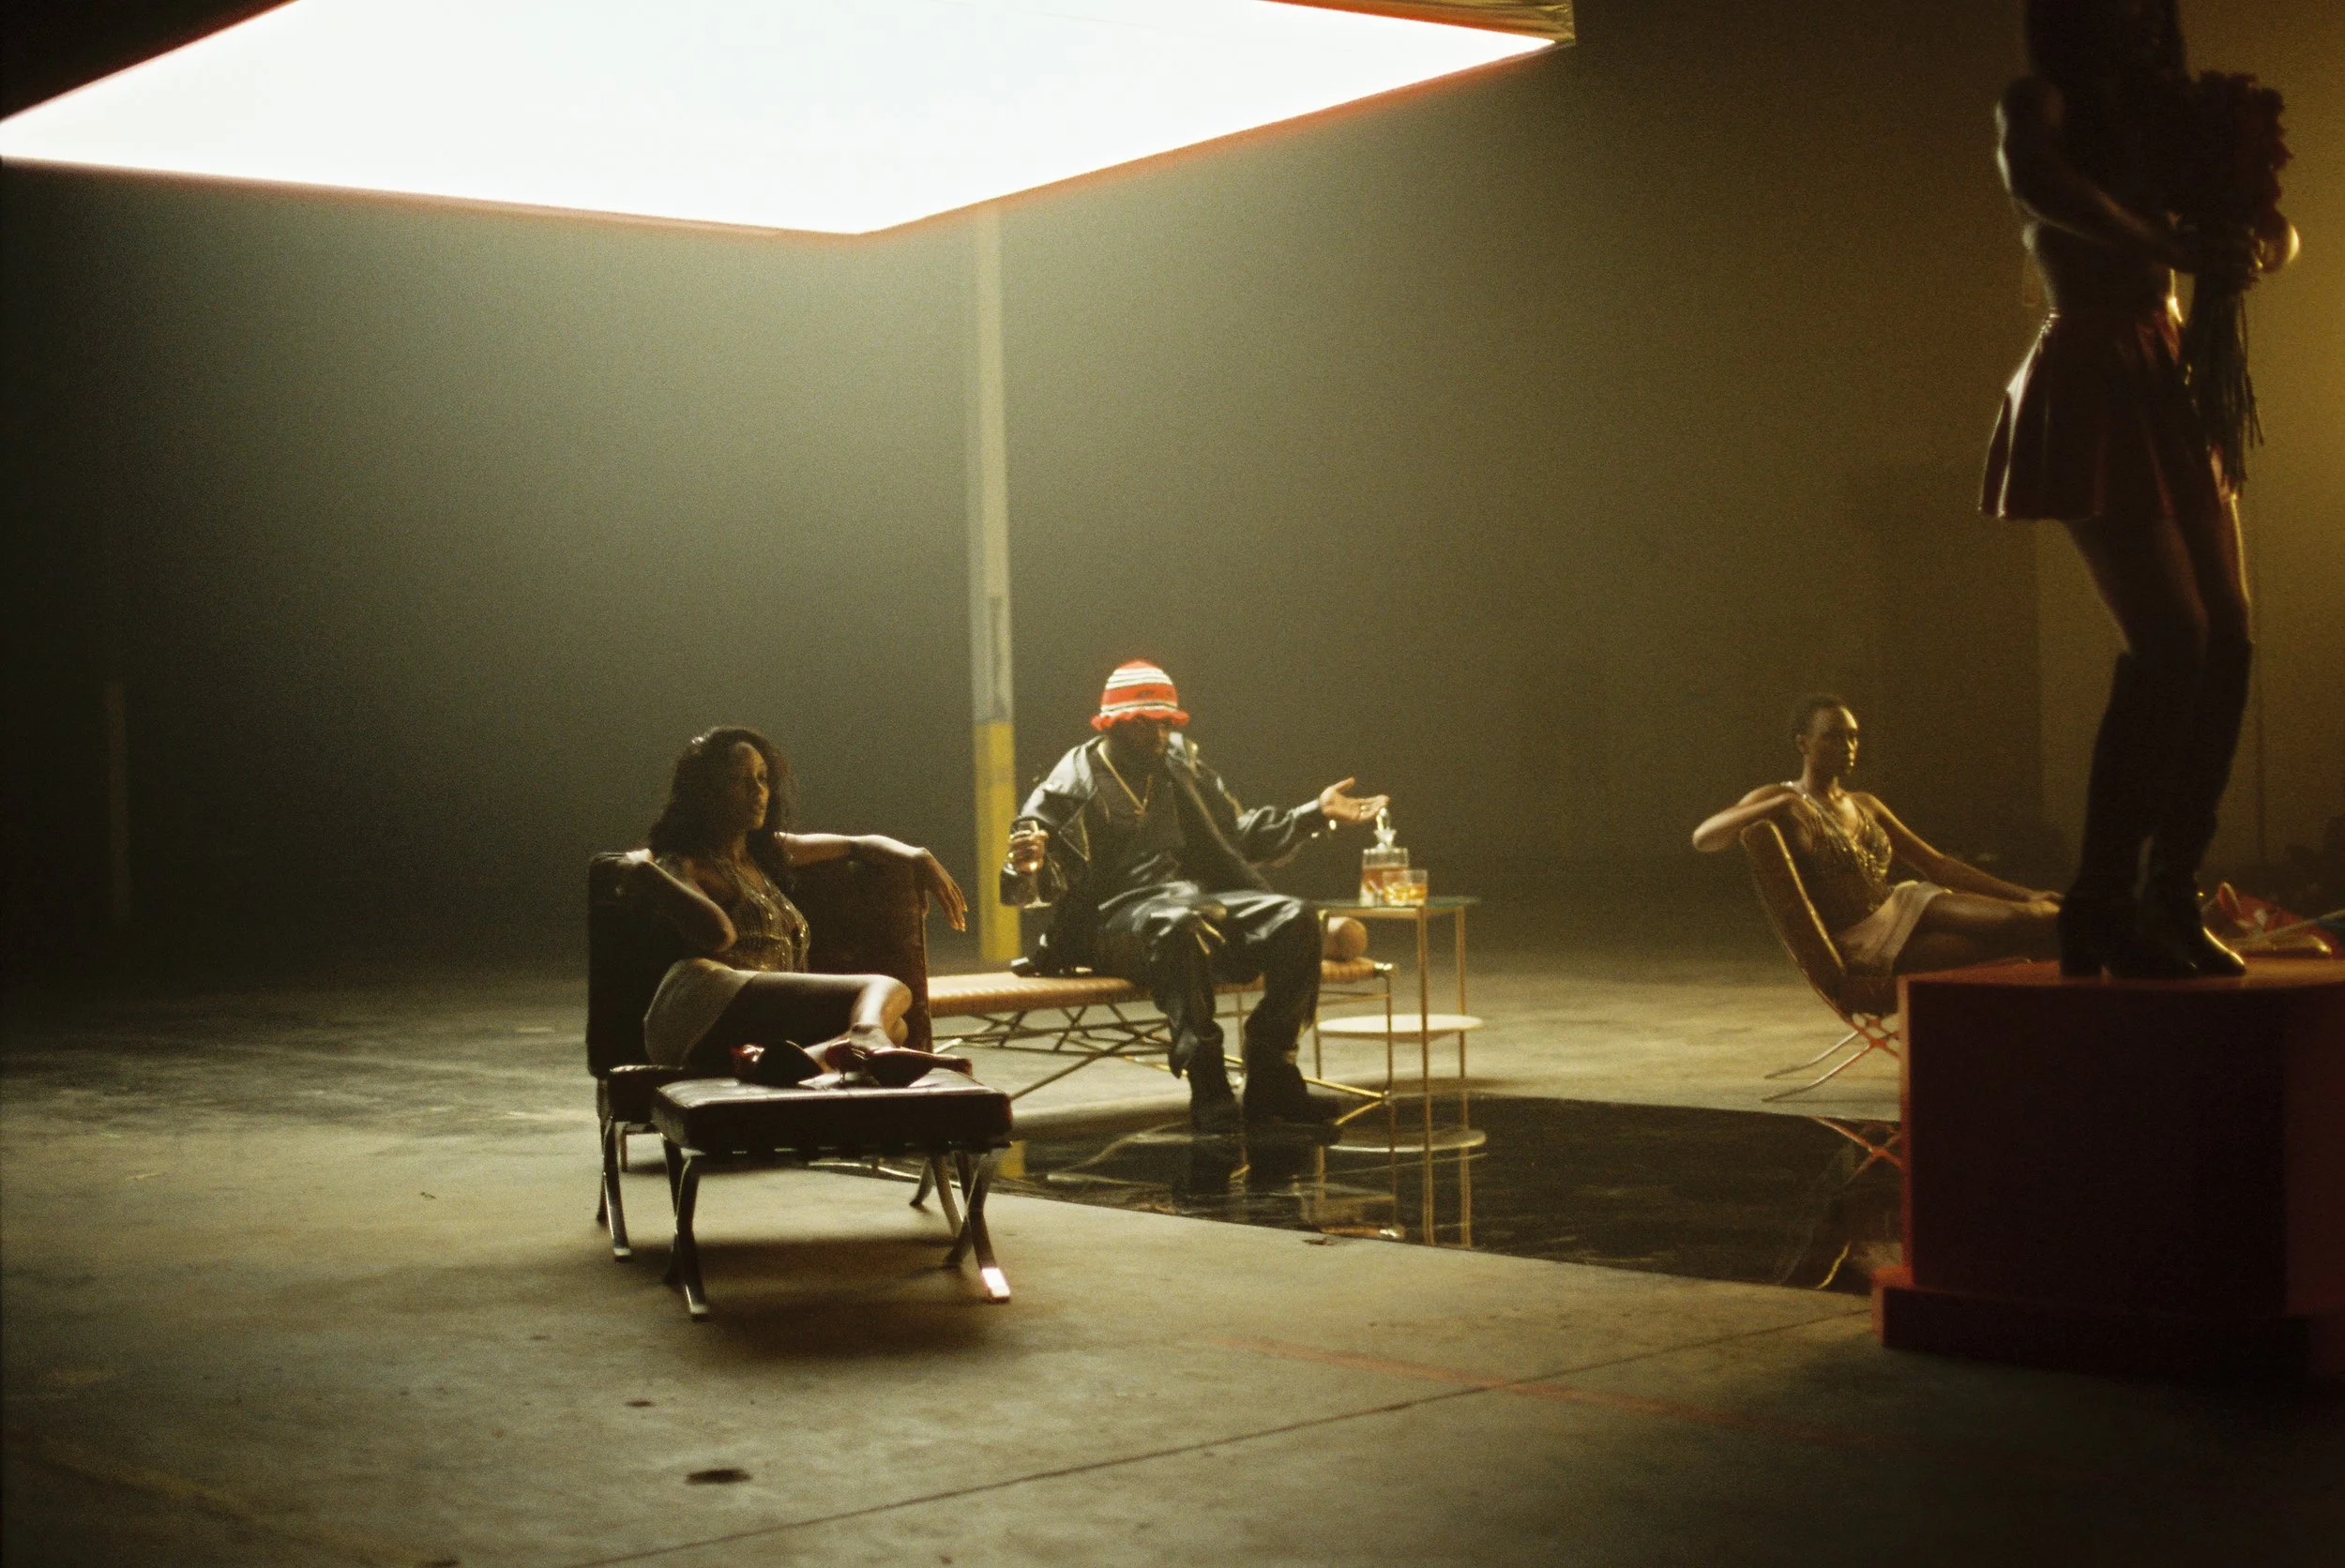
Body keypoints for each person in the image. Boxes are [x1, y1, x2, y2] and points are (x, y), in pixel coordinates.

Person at [1981, 0, 2296, 977]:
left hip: (2164, 372)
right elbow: (2038, 188)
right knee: (2173, 643)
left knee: (2226, 640)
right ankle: (2103, 899)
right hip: (2093, 369)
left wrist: (2248, 247)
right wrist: (2172, 244)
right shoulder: (2038, 102)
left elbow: (2273, 230)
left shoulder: (2169, 112)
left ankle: (2165, 892)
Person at [1001, 661, 1387, 1134]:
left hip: (1191, 905)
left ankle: (1273, 1074)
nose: (1159, 735)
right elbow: (1031, 890)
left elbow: (1233, 836)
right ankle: (1209, 1082)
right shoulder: (1069, 786)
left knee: (1296, 919)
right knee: (1181, 921)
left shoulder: (1176, 766)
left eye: (1166, 722)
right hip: (1111, 924)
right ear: (1115, 725)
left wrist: (1313, 813)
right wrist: (1026, 866)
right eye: (1146, 724)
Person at [624, 726, 972, 1086]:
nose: (757, 791)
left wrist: (919, 857)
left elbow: (857, 844)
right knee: (886, 989)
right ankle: (864, 1037)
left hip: (754, 1020)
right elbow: (719, 935)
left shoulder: (765, 855)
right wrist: (639, 869)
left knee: (896, 1026)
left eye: (762, 778)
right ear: (705, 793)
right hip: (699, 1009)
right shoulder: (682, 862)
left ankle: (809, 1059)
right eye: (738, 780)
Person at [1692, 697, 2062, 975]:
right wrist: (1782, 803)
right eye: (1834, 737)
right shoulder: (1779, 796)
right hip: (1859, 942)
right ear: (1803, 743)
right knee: (2009, 931)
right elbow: (1704, 838)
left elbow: (1938, 865)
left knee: (2025, 920)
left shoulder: (1865, 804)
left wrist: (2027, 891)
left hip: (1902, 907)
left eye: (1853, 737)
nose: (1848, 746)